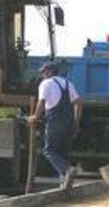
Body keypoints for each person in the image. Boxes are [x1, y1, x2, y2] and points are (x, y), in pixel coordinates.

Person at [27, 61, 83, 189]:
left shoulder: (46, 84)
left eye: (44, 71)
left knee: (50, 151)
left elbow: (41, 102)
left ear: (50, 71)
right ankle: (64, 184)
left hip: (55, 121)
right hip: (70, 123)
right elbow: (79, 102)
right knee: (62, 154)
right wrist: (76, 122)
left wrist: (35, 117)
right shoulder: (68, 83)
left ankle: (68, 170)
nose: (42, 74)